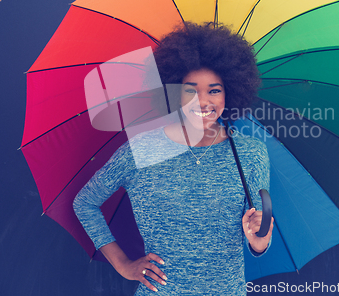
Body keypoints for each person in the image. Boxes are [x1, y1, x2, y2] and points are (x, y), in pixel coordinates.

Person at [73, 23, 273, 295]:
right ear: (173, 91)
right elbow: (85, 203)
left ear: (231, 93)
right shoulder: (141, 151)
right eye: (190, 90)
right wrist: (123, 265)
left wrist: (259, 239)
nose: (202, 101)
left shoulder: (251, 154)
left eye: (214, 90)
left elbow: (257, 240)